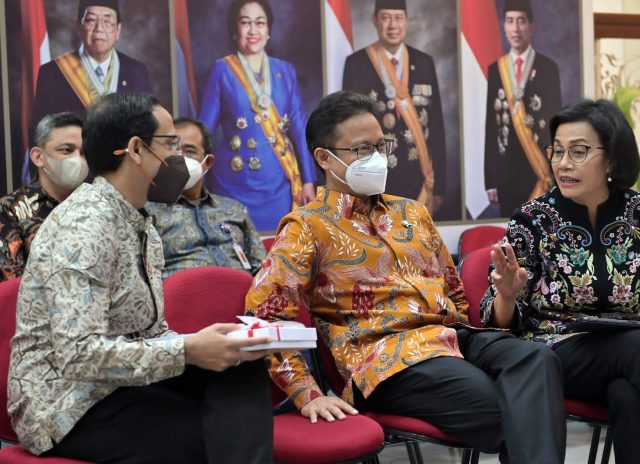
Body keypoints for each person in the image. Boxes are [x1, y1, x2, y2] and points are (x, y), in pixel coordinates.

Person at [246, 90, 567, 463]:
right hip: (387, 360)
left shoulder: (412, 213)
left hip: (453, 339)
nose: (379, 158)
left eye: (382, 146)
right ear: (324, 158)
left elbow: (457, 296)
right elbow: (266, 314)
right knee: (517, 409)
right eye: (363, 150)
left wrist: (505, 299)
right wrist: (306, 392)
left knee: (537, 360)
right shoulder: (307, 227)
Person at [8, 92, 273, 463]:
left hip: (121, 385)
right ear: (136, 149)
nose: (179, 158)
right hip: (65, 403)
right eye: (171, 145)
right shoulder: (84, 226)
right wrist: (188, 350)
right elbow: (77, 356)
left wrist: (203, 345)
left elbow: (148, 334)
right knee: (198, 436)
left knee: (238, 368)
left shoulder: (138, 219)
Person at [481, 99, 640, 464]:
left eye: (578, 152)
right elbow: (496, 316)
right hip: (555, 355)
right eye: (558, 151)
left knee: (629, 394)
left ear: (611, 159)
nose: (564, 164)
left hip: (631, 359)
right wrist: (505, 295)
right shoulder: (534, 219)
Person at [199, 0, 316, 231]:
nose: (253, 30)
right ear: (235, 30)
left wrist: (308, 180)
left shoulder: (285, 71)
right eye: (245, 22)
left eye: (260, 23)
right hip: (233, 182)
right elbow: (204, 132)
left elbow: (299, 129)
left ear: (269, 30)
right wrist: (195, 181)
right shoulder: (221, 70)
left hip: (279, 182)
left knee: (279, 253)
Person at [342, 0, 446, 215]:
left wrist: (440, 186)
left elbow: (436, 126)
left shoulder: (424, 62)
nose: (392, 25)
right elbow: (350, 129)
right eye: (385, 17)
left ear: (406, 21)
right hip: (376, 178)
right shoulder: (357, 63)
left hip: (418, 177)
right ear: (374, 20)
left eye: (398, 18)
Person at [146, 117, 266, 279]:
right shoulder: (148, 213)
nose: (179, 158)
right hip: (183, 301)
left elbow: (262, 268)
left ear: (207, 161)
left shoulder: (234, 209)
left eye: (189, 151)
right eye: (173, 149)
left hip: (241, 299)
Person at [483, 0, 561, 217]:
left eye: (521, 21)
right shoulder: (496, 70)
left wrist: (554, 170)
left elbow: (557, 127)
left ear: (531, 26)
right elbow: (491, 126)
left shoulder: (548, 68)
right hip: (506, 172)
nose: (515, 28)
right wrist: (490, 181)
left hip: (539, 170)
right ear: (504, 26)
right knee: (510, 237)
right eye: (510, 21)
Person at [31, 0, 154, 128]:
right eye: (91, 20)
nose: (99, 29)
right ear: (79, 25)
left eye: (107, 21)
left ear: (118, 30)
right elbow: (42, 134)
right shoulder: (52, 73)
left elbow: (149, 125)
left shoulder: (137, 72)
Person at [0, 112, 87, 281]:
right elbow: (11, 284)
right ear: (38, 157)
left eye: (83, 152)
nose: (77, 159)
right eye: (66, 150)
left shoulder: (97, 204)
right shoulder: (10, 209)